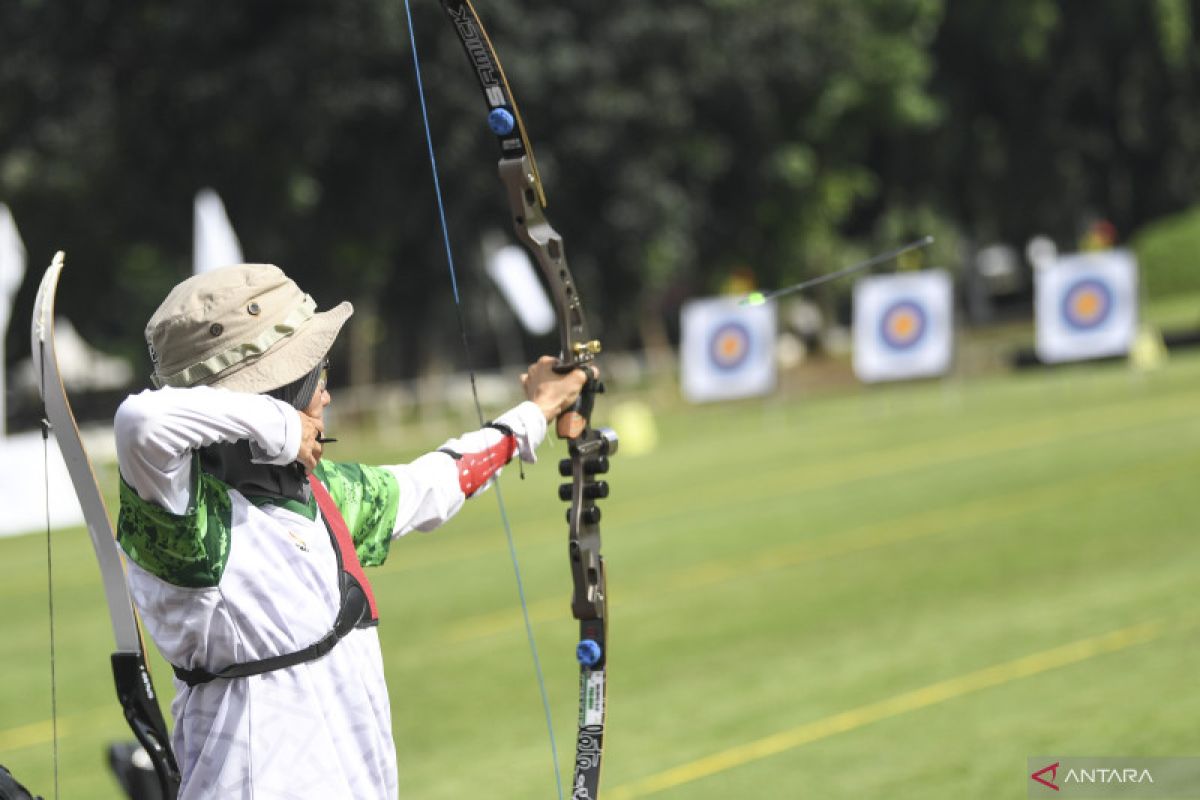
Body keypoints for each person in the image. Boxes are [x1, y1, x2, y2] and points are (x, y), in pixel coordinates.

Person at [114, 263, 588, 799]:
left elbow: (433, 482)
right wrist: (278, 425)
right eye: (316, 377)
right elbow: (141, 423)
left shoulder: (322, 495)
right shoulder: (188, 523)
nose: (326, 396)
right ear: (279, 393)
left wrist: (536, 411)